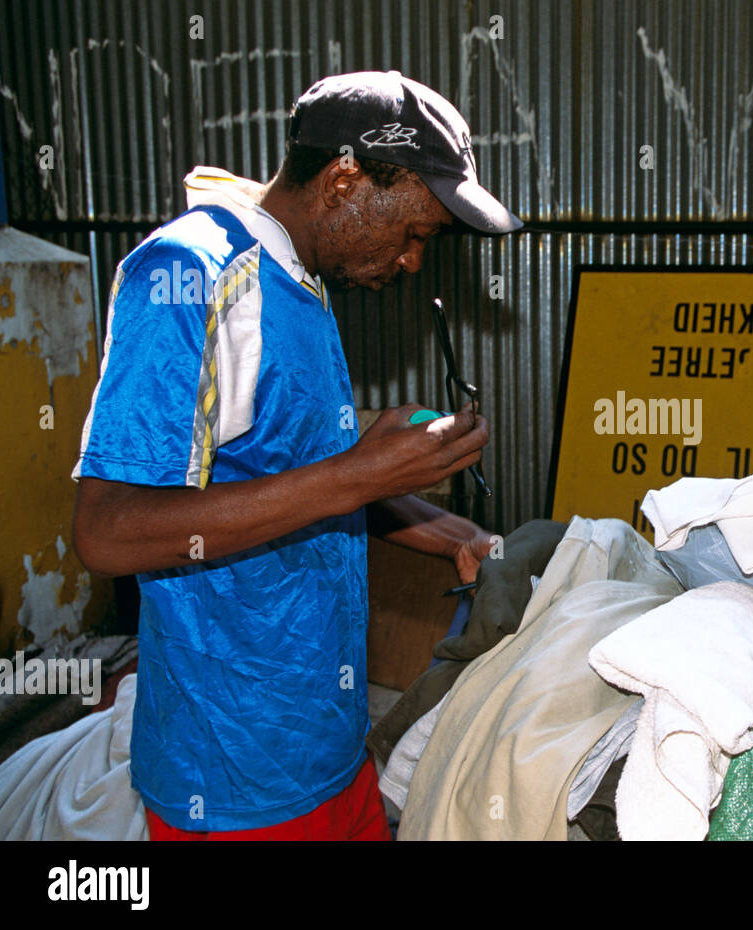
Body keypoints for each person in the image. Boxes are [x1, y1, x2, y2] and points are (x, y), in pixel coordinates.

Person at [70, 71, 521, 840]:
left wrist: (459, 538)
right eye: (413, 232)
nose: (413, 262)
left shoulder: (302, 285)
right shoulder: (192, 273)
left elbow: (293, 480)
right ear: (345, 179)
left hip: (331, 750)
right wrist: (355, 472)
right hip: (235, 782)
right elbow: (107, 529)